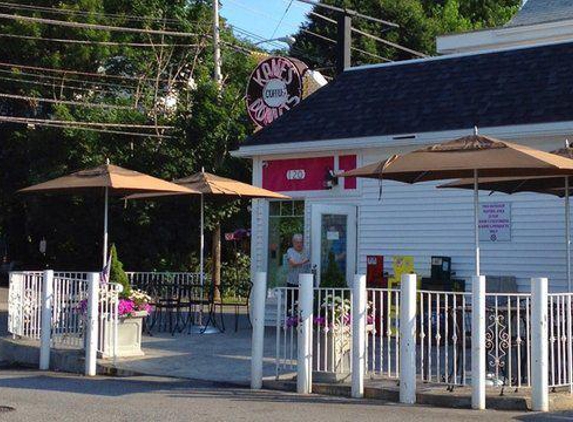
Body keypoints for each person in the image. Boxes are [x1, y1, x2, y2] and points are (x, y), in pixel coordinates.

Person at [285, 234, 309, 309]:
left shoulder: (306, 251)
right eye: (297, 242)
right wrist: (304, 261)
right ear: (293, 242)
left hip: (304, 283)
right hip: (292, 281)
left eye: (300, 242)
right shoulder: (290, 251)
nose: (299, 244)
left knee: (303, 303)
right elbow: (293, 263)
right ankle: (290, 319)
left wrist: (302, 262)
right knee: (291, 303)